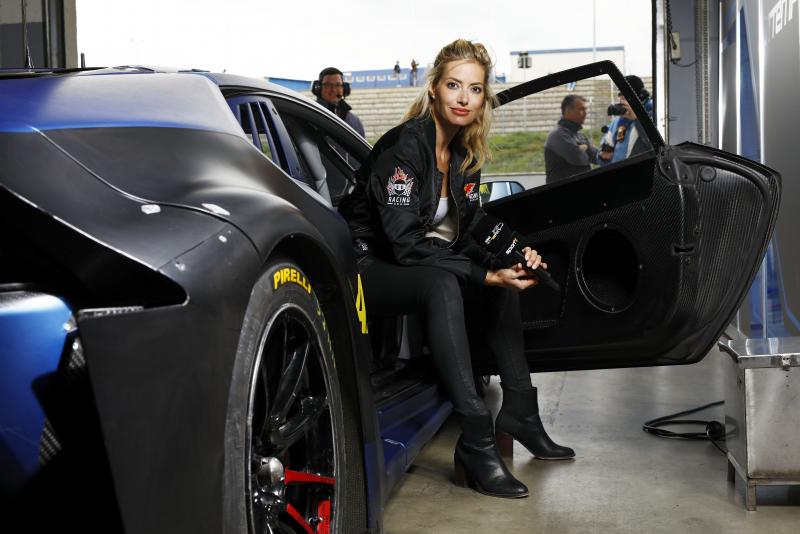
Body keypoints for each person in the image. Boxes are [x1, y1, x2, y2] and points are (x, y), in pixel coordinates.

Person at [338, 39, 574, 499]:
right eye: (453, 85)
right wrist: (482, 274)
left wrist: (511, 256)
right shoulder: (405, 147)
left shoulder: (464, 152)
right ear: (434, 89)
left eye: (475, 89)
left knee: (500, 284)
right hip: (363, 266)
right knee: (444, 283)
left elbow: (465, 229)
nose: (464, 98)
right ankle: (476, 435)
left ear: (484, 97)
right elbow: (405, 244)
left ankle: (521, 412)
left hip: (411, 259)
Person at [598, 75, 653, 164]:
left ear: (641, 97)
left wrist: (637, 119)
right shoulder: (618, 121)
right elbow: (601, 153)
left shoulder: (653, 117)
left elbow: (655, 145)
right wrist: (603, 157)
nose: (622, 102)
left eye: (626, 98)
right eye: (621, 97)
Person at [544, 94, 598, 183]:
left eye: (585, 109)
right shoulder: (557, 134)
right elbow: (579, 159)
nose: (585, 113)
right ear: (568, 111)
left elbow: (596, 156)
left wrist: (584, 149)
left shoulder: (580, 135)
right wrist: (585, 148)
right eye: (581, 109)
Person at [312, 67, 365, 138]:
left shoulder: (354, 120)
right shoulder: (310, 113)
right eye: (328, 85)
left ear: (344, 89)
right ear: (319, 88)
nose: (333, 90)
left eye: (337, 85)